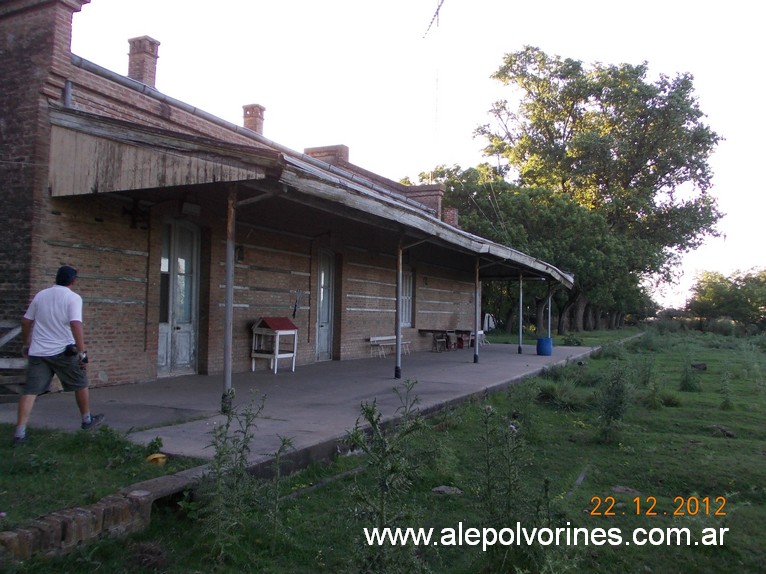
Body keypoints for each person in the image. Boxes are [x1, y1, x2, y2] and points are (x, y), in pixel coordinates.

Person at [12, 266, 104, 446]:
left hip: (38, 352)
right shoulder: (73, 298)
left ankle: (19, 434)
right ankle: (87, 420)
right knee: (80, 383)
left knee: (30, 391)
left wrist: (27, 342)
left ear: (56, 278)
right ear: (73, 281)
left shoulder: (41, 295)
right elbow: (76, 325)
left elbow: (26, 321)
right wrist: (82, 355)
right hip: (64, 351)